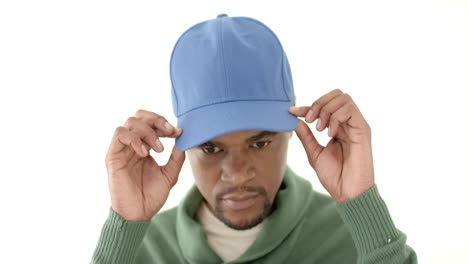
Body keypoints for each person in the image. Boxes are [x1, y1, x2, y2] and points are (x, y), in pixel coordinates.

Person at [91, 14, 417, 263]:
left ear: (293, 133)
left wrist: (362, 202)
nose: (237, 172)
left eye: (260, 143)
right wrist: (125, 226)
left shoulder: (351, 236)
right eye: (211, 147)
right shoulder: (143, 249)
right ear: (181, 146)